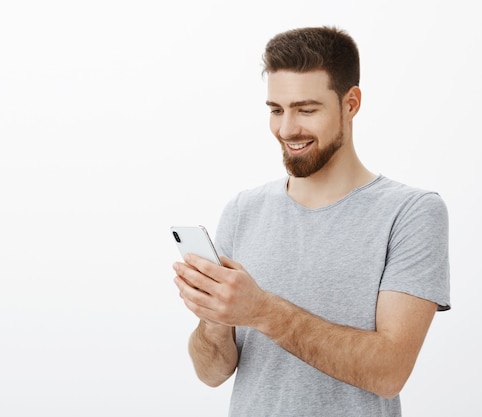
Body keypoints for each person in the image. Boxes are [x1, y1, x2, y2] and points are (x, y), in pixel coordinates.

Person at [172, 26, 450, 417]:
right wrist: (216, 317)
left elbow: (389, 372)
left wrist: (261, 310)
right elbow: (212, 373)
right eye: (276, 110)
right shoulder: (243, 209)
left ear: (350, 104)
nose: (287, 130)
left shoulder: (411, 212)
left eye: (306, 109)